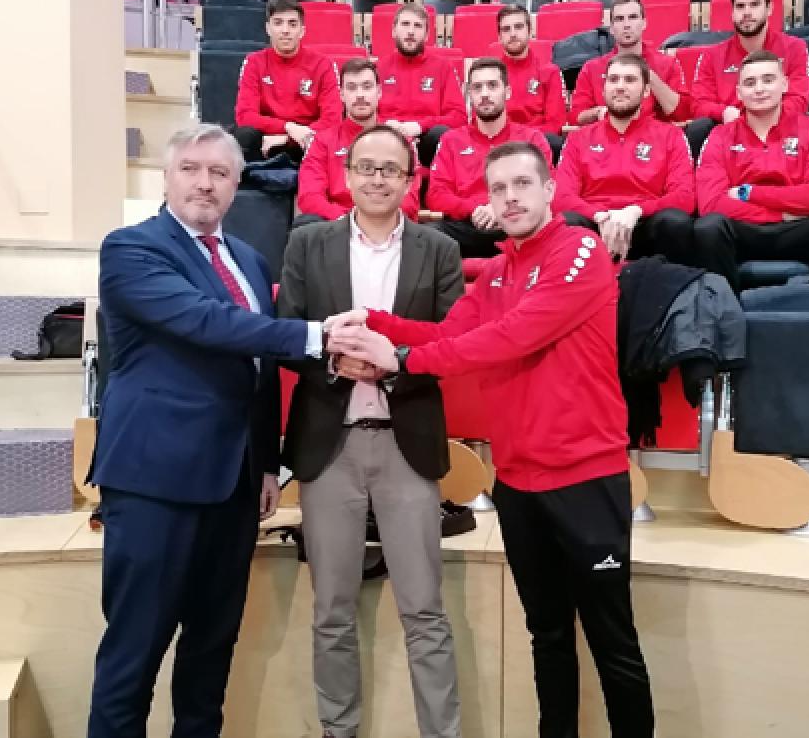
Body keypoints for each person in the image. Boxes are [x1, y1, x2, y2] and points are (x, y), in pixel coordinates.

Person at [326, 141, 656, 738]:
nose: (510, 198)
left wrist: (401, 359)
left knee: (613, 642)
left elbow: (512, 337)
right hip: (520, 486)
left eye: (522, 184)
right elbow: (445, 334)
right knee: (547, 635)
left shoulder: (580, 250)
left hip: (586, 481)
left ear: (550, 189)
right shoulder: (499, 272)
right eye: (498, 188)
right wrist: (371, 321)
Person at [86, 124, 345, 737]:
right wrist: (319, 336)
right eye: (192, 169)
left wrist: (266, 462)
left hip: (233, 486)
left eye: (220, 173)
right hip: (155, 483)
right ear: (167, 178)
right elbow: (208, 323)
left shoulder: (249, 261)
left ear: (236, 185)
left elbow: (258, 369)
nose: (205, 183)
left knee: (210, 654)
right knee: (134, 656)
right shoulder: (131, 249)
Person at [278, 124, 465, 738]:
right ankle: (339, 731)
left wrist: (394, 363)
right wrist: (334, 362)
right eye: (367, 167)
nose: (378, 179)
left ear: (410, 180)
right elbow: (287, 332)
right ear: (347, 173)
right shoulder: (309, 243)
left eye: (391, 170)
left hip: (406, 444)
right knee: (331, 611)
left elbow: (454, 341)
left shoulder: (439, 249)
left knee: (425, 610)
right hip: (328, 446)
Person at [694, 50, 809, 289]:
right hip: (745, 230)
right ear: (739, 93)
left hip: (797, 230)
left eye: (768, 80)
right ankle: (725, 305)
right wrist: (780, 215)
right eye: (750, 83)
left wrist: (748, 192)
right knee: (708, 228)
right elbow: (711, 204)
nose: (759, 89)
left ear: (784, 84)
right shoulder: (719, 136)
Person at [555, 53, 695, 264]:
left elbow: (684, 197)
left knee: (675, 221)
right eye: (613, 80)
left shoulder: (671, 135)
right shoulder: (578, 138)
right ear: (603, 90)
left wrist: (637, 210)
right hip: (596, 225)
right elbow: (561, 197)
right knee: (566, 221)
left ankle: (671, 282)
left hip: (645, 223)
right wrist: (600, 215)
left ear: (646, 90)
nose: (620, 87)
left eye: (630, 80)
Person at [428, 57, 554, 258]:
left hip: (518, 225)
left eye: (492, 85)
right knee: (426, 236)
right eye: (477, 87)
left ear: (507, 92)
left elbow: (547, 189)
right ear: (469, 94)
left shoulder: (532, 139)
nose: (485, 94)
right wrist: (475, 209)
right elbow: (436, 194)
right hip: (468, 225)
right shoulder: (451, 140)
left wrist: (501, 208)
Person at [685, 0, 809, 158]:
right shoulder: (712, 56)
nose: (747, 13)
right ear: (732, 12)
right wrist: (724, 112)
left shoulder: (795, 48)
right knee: (698, 129)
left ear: (769, 8)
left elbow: (799, 100)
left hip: (777, 126)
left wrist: (757, 117)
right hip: (728, 132)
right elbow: (698, 104)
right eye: (740, 6)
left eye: (754, 4)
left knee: (803, 123)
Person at [295, 58, 421, 229]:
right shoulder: (322, 141)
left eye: (367, 86)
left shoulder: (402, 141)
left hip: (387, 226)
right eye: (352, 87)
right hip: (338, 225)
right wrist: (350, 222)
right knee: (305, 224)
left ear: (379, 92)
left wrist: (370, 220)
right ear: (341, 94)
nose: (360, 95)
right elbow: (309, 197)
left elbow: (409, 201)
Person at [233, 0, 342, 161]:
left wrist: (288, 139)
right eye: (278, 23)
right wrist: (288, 127)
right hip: (266, 140)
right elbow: (245, 116)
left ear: (302, 31)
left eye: (292, 24)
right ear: (268, 28)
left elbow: (332, 120)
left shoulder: (323, 65)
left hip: (306, 139)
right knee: (244, 136)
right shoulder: (254, 62)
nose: (285, 30)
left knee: (329, 138)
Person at [570, 0, 690, 127]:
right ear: (611, 28)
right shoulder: (591, 68)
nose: (626, 25)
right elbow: (576, 117)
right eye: (619, 19)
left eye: (633, 17)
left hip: (655, 136)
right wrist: (600, 112)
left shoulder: (667, 64)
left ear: (644, 23)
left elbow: (684, 114)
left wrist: (648, 76)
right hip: (607, 135)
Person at [376, 2, 467, 169]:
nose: (411, 31)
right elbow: (365, 113)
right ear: (394, 31)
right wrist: (385, 123)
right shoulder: (379, 67)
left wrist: (420, 126)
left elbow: (458, 117)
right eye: (405, 24)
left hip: (427, 143)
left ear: (426, 35)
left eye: (418, 26)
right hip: (386, 139)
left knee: (441, 134)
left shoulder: (443, 67)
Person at [495, 3, 568, 160]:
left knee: (554, 142)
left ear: (530, 31)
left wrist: (524, 138)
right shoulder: (491, 74)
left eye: (518, 27)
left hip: (537, 146)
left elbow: (556, 123)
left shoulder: (549, 71)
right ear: (499, 37)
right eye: (506, 29)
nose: (513, 34)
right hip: (498, 146)